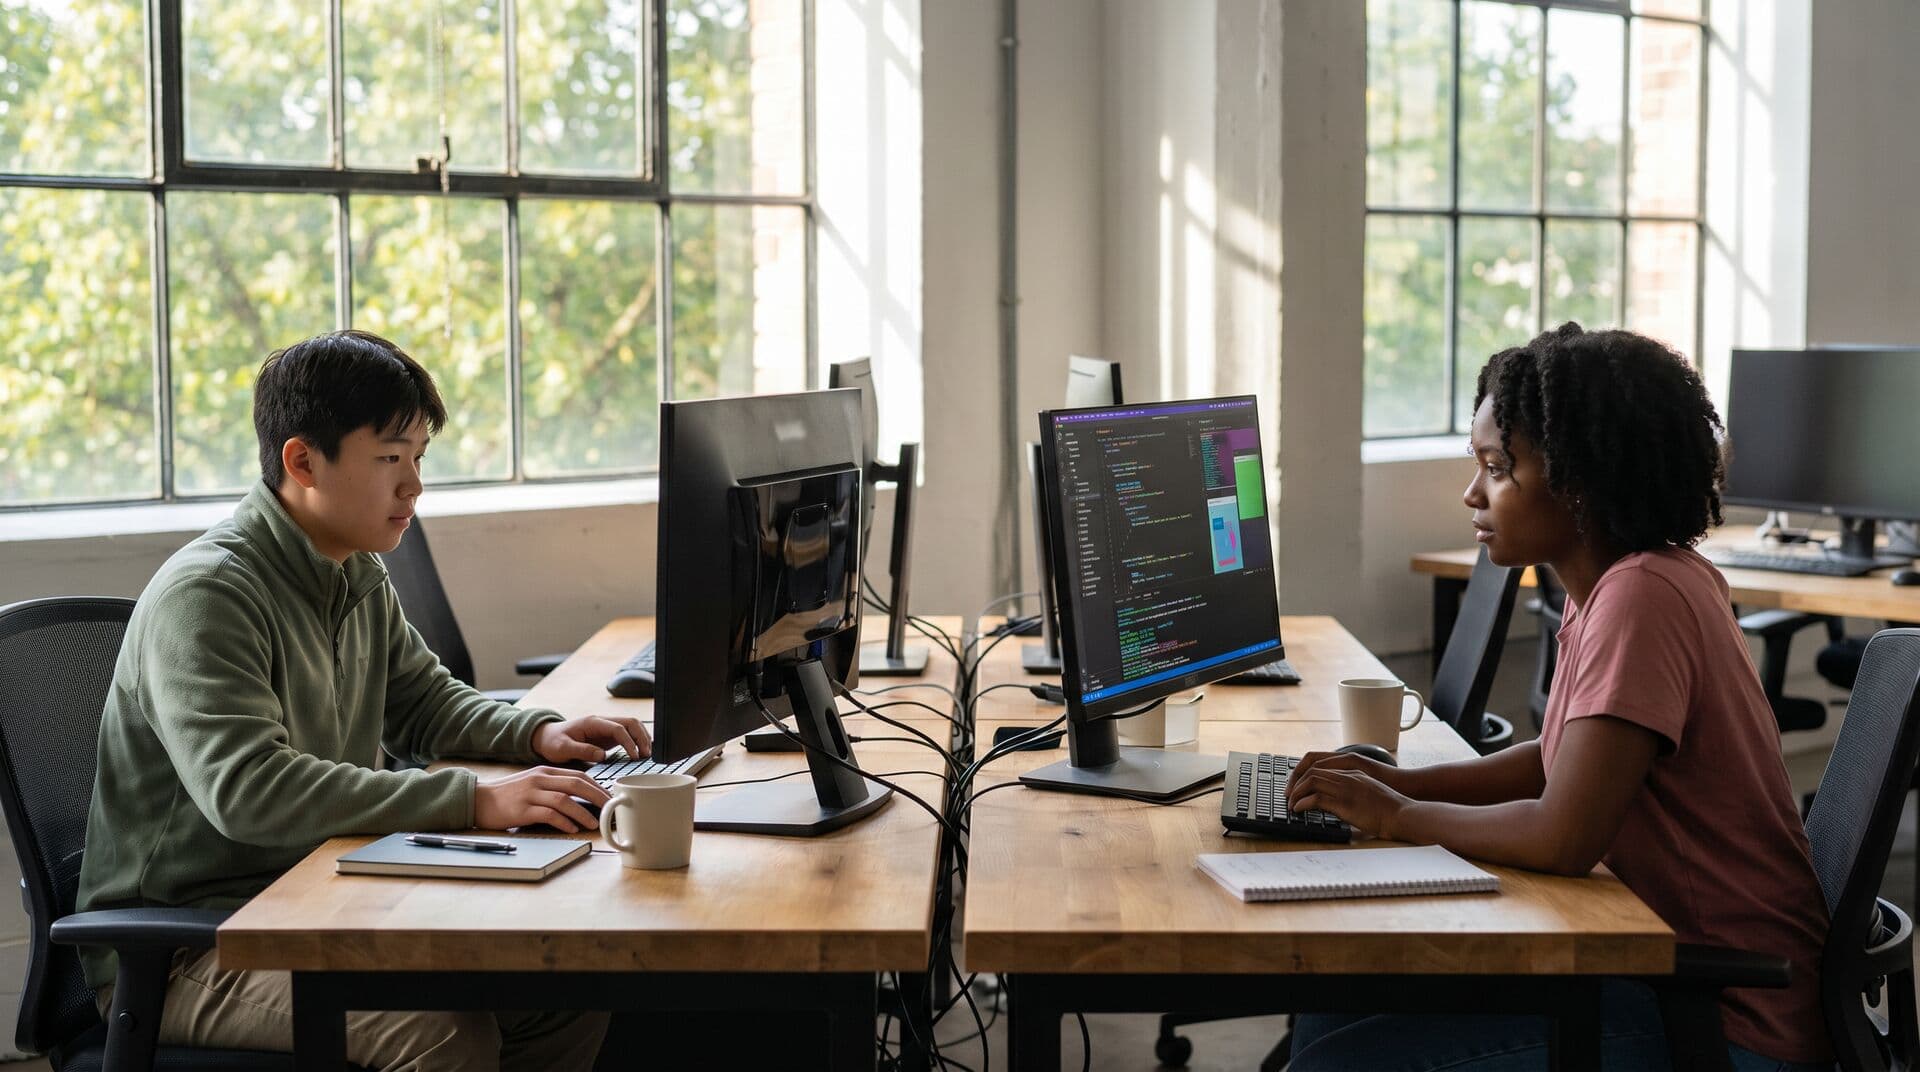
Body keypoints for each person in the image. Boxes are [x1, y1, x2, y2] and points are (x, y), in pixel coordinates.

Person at [77, 330, 635, 1071]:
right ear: (302, 461)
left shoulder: (351, 570)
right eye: (388, 459)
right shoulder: (208, 595)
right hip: (195, 944)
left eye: (417, 459)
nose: (413, 487)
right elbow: (251, 792)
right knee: (441, 1032)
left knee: (557, 992)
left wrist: (539, 736)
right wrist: (472, 799)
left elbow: (424, 703)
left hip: (316, 899)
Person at [1285, 324, 1834, 1072]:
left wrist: (1400, 816)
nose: (1473, 493)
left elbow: (1562, 837)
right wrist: (1403, 783)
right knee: (1337, 998)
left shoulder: (1643, 597)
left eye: (1498, 468)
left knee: (1339, 1064)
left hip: (1721, 1017)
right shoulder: (1617, 583)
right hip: (1657, 971)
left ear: (1581, 479)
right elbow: (1556, 760)